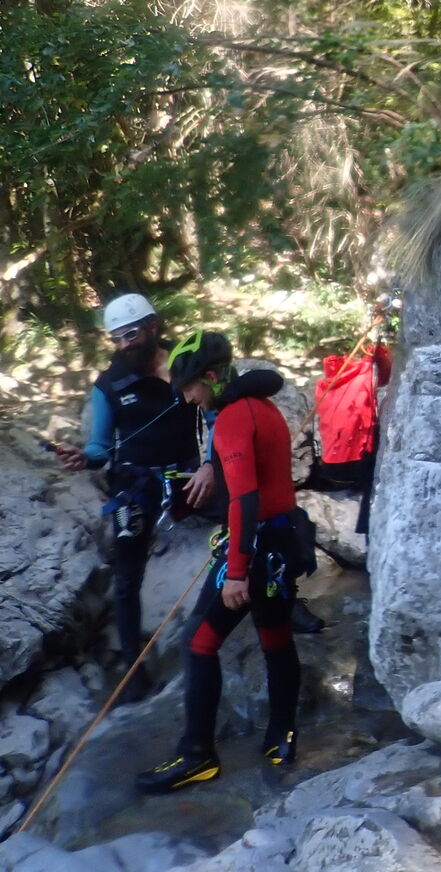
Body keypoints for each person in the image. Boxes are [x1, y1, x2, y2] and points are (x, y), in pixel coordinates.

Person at [137, 331, 303, 792]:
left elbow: (245, 499)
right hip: (281, 546)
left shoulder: (232, 417)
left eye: (190, 386)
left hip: (251, 552)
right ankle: (282, 737)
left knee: (199, 644)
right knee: (276, 641)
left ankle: (197, 756)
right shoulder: (264, 408)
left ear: (211, 376)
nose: (186, 396)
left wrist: (234, 570)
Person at [52, 293, 215, 703]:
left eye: (131, 333)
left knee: (247, 509)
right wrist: (84, 458)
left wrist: (212, 464)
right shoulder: (109, 384)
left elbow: (216, 413)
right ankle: (132, 666)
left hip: (189, 474)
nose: (124, 344)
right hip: (136, 481)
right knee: (127, 571)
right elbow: (100, 447)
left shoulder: (185, 365)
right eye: (117, 338)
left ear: (154, 326)